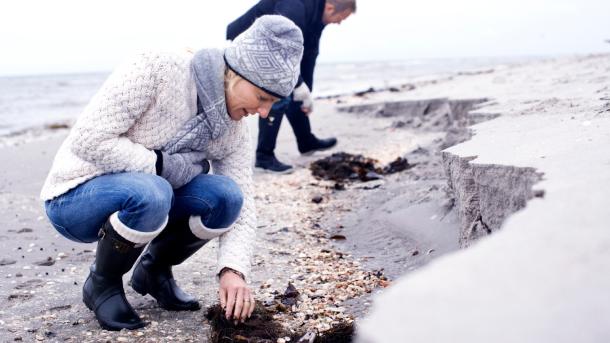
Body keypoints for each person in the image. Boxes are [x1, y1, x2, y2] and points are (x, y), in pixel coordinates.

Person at [40, 15, 304, 331]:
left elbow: (243, 203)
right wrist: (161, 166)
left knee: (226, 197)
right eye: (262, 97)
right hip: (75, 196)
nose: (263, 112)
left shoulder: (234, 130)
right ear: (236, 73)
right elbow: (88, 139)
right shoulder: (159, 68)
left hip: (150, 196)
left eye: (273, 103)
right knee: (154, 190)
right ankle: (102, 283)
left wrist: (232, 270)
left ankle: (154, 270)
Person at [227, 0, 356, 173]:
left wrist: (306, 92)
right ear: (330, 7)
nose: (339, 23)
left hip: (272, 48)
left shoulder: (318, 18)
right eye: (341, 18)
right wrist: (298, 84)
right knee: (278, 92)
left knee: (294, 91)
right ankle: (264, 157)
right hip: (248, 41)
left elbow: (309, 54)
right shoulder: (296, 5)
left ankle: (306, 142)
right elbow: (279, 49)